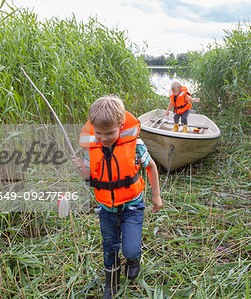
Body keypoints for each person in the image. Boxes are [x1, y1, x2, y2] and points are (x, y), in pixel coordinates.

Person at [72, 95, 162, 298]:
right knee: (109, 248)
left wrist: (156, 196)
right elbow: (92, 180)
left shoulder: (135, 145)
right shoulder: (92, 148)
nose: (104, 138)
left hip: (132, 206)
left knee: (130, 249)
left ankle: (133, 259)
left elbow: (152, 166)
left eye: (110, 133)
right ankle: (110, 285)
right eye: (99, 133)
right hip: (106, 210)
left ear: (121, 125)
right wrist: (82, 172)